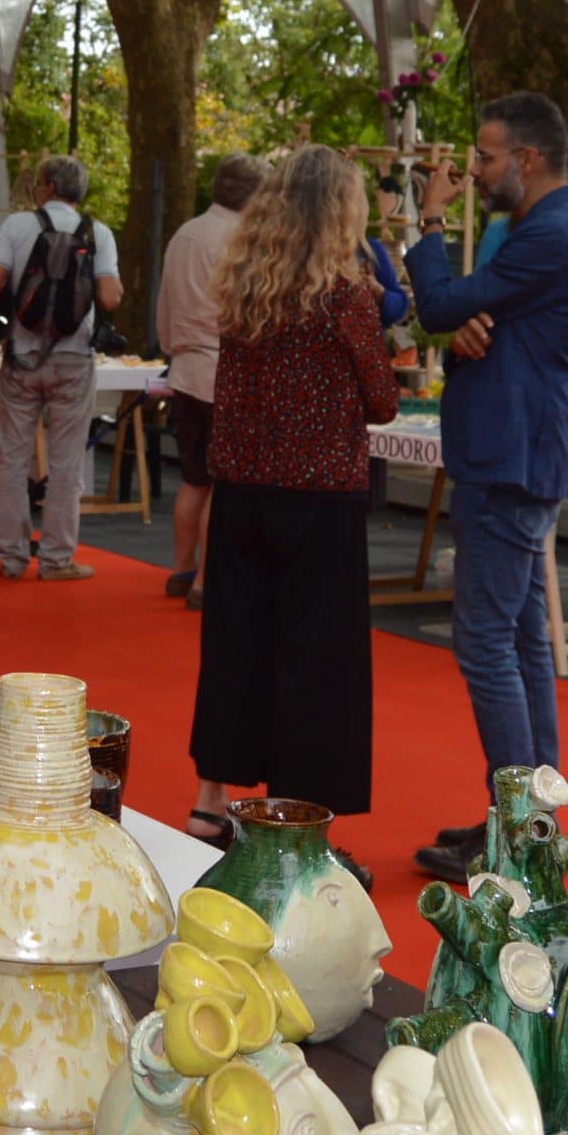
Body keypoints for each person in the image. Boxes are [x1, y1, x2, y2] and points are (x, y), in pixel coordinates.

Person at [406, 92, 568, 884]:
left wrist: (430, 219)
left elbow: (439, 304)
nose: (477, 170)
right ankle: (527, 823)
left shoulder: (554, 232)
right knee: (521, 643)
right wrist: (466, 329)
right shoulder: (552, 228)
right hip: (516, 454)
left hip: (510, 461)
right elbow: (475, 319)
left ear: (528, 158)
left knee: (487, 644)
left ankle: (521, 834)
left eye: (486, 156)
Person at [184, 147, 398, 881]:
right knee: (315, 666)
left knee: (235, 649)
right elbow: (382, 401)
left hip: (243, 495)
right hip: (319, 503)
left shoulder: (245, 285)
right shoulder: (345, 297)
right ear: (342, 212)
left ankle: (210, 803)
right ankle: (296, 828)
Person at [0, 154, 123, 582]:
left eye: (39, 181)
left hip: (22, 359)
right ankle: (57, 559)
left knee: (13, 461)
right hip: (74, 360)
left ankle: (13, 557)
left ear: (50, 186)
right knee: (66, 464)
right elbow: (110, 298)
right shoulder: (98, 232)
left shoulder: (18, 226)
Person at [157, 154, 269, 609]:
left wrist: (173, 349)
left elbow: (165, 309)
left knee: (193, 479)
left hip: (186, 371)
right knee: (223, 484)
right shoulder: (243, 240)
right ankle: (206, 580)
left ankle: (182, 568)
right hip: (226, 373)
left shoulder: (184, 234)